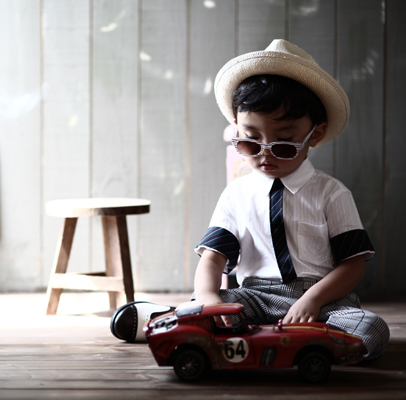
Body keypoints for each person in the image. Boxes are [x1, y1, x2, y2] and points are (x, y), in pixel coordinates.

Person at [110, 39, 389, 360]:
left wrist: (311, 300)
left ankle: (227, 335)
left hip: (324, 299)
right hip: (254, 297)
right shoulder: (236, 194)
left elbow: (352, 266)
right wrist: (208, 296)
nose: (265, 155)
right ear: (236, 131)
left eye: (283, 144)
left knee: (371, 328)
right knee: (208, 307)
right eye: (251, 143)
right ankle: (183, 322)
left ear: (315, 134)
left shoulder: (332, 193)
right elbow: (213, 258)